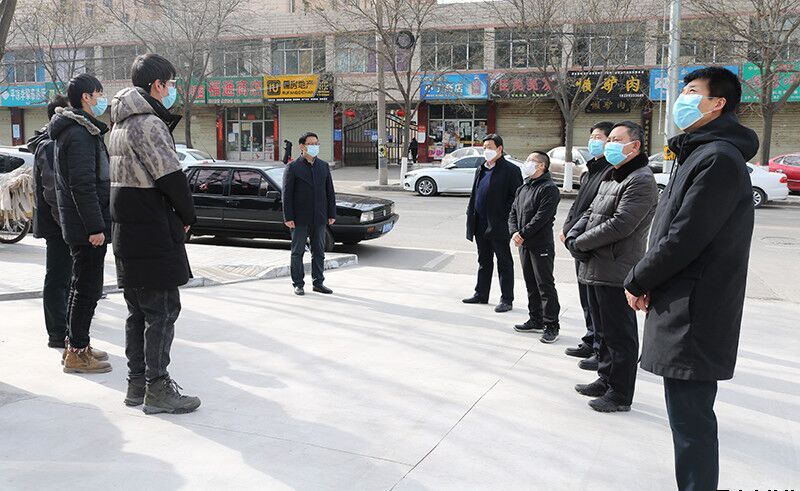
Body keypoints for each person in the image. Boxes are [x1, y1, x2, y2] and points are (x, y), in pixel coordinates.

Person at [624, 67, 758, 490]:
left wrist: (638, 279)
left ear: (718, 103)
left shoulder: (717, 158)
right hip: (683, 301)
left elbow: (685, 237)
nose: (682, 98)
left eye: (692, 91)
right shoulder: (699, 153)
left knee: (692, 424)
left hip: (695, 311)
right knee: (687, 421)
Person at [109, 53, 200, 415]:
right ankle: (158, 388)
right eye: (171, 83)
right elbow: (170, 176)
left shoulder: (118, 124)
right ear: (157, 85)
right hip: (150, 228)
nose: (172, 90)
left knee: (137, 312)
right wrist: (188, 214)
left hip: (126, 227)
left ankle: (137, 383)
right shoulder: (148, 123)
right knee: (161, 311)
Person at [566, 121, 658, 413]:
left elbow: (621, 224)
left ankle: (620, 393)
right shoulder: (611, 175)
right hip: (595, 264)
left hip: (617, 267)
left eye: (617, 140)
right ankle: (605, 379)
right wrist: (573, 236)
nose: (610, 145)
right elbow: (590, 211)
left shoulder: (640, 180)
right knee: (603, 331)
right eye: (610, 140)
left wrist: (581, 243)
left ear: (635, 146)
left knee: (620, 336)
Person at [49, 74, 112, 374]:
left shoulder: (78, 130)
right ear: (86, 97)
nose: (101, 99)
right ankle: (77, 352)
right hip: (86, 227)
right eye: (98, 93)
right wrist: (95, 227)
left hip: (81, 223)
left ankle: (77, 345)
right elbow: (82, 185)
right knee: (87, 289)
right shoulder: (79, 134)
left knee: (81, 286)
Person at [561, 122, 614, 371]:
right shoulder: (590, 171)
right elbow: (578, 205)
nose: (593, 141)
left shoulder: (611, 172)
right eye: (591, 136)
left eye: (599, 137)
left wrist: (580, 236)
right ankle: (591, 339)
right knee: (586, 297)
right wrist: (567, 229)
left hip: (593, 243)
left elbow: (601, 212)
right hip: (578, 241)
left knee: (598, 302)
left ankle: (600, 348)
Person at [27, 95, 71, 349]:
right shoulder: (51, 144)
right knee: (58, 277)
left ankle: (63, 328)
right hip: (58, 224)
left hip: (60, 223)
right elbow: (53, 190)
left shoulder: (51, 141)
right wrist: (66, 223)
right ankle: (57, 332)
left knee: (63, 276)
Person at [463, 134, 523, 313]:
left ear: (500, 149)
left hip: (499, 224)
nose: (486, 151)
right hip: (480, 222)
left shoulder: (511, 170)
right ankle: (481, 293)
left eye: (489, 147)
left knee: (504, 262)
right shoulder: (481, 168)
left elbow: (516, 198)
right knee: (484, 260)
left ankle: (506, 299)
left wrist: (504, 216)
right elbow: (475, 194)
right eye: (484, 148)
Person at [509, 151, 561, 343]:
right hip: (524, 244)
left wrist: (522, 234)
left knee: (544, 285)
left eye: (531, 160)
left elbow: (542, 217)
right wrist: (514, 232)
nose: (527, 163)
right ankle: (536, 319)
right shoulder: (523, 188)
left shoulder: (549, 189)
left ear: (541, 166)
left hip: (540, 244)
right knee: (530, 283)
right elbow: (513, 212)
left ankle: (551, 325)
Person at [283, 132, 336, 296]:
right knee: (297, 251)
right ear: (302, 146)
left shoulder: (323, 166)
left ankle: (318, 283)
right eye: (311, 144)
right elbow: (286, 194)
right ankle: (298, 284)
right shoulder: (293, 167)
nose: (314, 147)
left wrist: (331, 213)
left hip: (319, 217)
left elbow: (330, 192)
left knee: (319, 251)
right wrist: (288, 217)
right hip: (299, 218)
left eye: (316, 144)